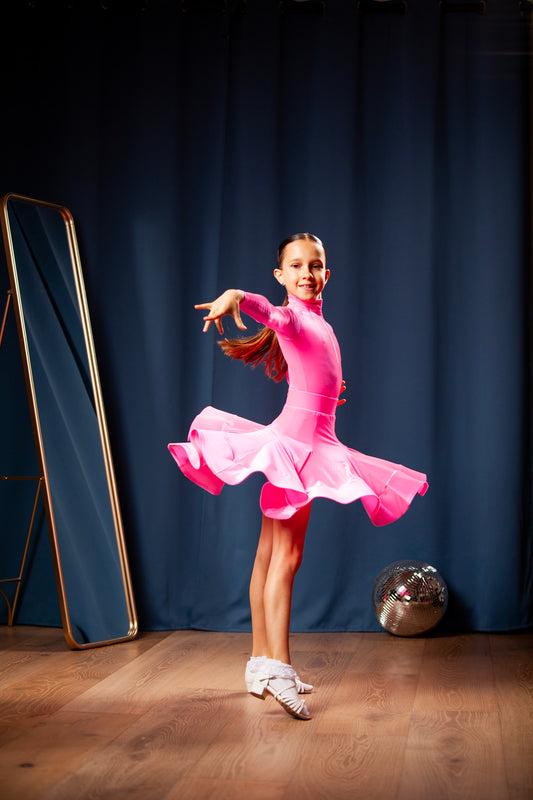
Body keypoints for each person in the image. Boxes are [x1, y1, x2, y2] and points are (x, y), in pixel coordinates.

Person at [168, 233, 428, 720]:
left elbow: (315, 365)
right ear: (281, 275)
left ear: (327, 273)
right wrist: (239, 298)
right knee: (286, 557)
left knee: (270, 554)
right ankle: (278, 669)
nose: (307, 273)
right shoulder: (290, 316)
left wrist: (330, 389)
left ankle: (258, 663)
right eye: (296, 266)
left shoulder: (318, 323)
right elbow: (272, 313)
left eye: (316, 265)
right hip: (297, 449)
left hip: (309, 441)